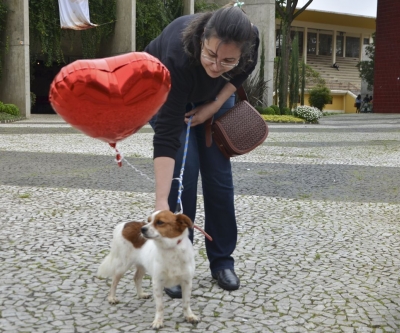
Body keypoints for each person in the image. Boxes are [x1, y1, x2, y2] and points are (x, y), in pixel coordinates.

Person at [145, 1, 259, 298]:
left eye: (227, 60)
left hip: (214, 99)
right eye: (210, 54)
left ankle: (222, 260)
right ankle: (174, 264)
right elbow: (168, 133)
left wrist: (216, 105)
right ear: (202, 38)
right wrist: (160, 202)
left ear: (242, 53)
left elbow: (239, 75)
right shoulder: (177, 51)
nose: (215, 65)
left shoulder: (251, 41)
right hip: (168, 92)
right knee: (184, 177)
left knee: (219, 180)